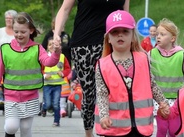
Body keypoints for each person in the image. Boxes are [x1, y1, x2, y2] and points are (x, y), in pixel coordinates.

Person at [53, 1, 130, 136]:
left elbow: (125, 17)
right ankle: (88, 132)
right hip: (84, 45)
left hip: (112, 43)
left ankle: (113, 130)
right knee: (90, 94)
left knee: (115, 89)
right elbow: (65, 9)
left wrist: (131, 42)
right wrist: (56, 34)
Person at [0, 12, 61, 137]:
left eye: (23, 32)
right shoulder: (5, 50)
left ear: (31, 30)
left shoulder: (37, 48)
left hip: (30, 96)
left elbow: (49, 62)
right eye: (16, 31)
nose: (19, 35)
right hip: (11, 96)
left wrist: (56, 53)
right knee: (11, 127)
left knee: (25, 128)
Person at [94, 10, 169, 137]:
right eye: (115, 32)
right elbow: (102, 94)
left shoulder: (143, 59)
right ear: (109, 39)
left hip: (141, 126)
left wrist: (163, 102)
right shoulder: (102, 65)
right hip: (114, 127)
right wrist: (104, 115)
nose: (120, 35)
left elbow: (151, 84)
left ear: (133, 36)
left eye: (125, 31)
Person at [149, 18, 184, 137]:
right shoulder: (151, 54)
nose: (158, 37)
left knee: (173, 130)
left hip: (177, 101)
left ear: (172, 38)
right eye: (157, 34)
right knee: (161, 129)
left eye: (162, 34)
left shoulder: (182, 56)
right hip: (159, 101)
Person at [41, 37, 71, 127]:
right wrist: (45, 75)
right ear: (47, 46)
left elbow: (67, 68)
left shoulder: (62, 57)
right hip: (47, 84)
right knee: (48, 103)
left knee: (56, 103)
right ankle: (44, 108)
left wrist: (62, 74)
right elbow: (40, 69)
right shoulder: (44, 57)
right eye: (50, 44)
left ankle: (56, 121)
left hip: (57, 84)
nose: (52, 46)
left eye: (54, 44)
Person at [0, 9, 17, 104]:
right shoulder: (0, 31)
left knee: (10, 80)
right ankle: (0, 97)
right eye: (7, 18)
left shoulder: (17, 32)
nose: (8, 20)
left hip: (13, 62)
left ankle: (10, 96)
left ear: (14, 19)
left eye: (10, 18)